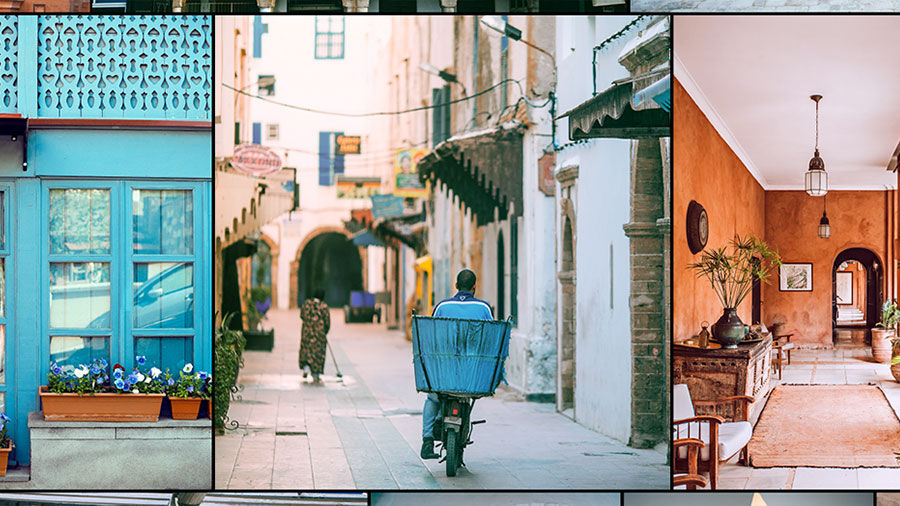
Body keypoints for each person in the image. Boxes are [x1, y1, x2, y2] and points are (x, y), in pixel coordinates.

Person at [420, 269, 493, 459]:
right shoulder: (484, 308)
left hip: (445, 370)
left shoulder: (442, 306)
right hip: (472, 372)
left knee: (433, 398)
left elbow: (432, 334)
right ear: (474, 286)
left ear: (456, 286)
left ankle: (427, 441)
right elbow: (492, 339)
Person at [299, 289, 330, 384]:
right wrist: (324, 331)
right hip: (319, 335)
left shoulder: (307, 304)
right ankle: (315, 374)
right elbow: (327, 322)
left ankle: (306, 367)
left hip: (307, 333)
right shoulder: (323, 306)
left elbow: (302, 315)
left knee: (306, 350)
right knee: (317, 353)